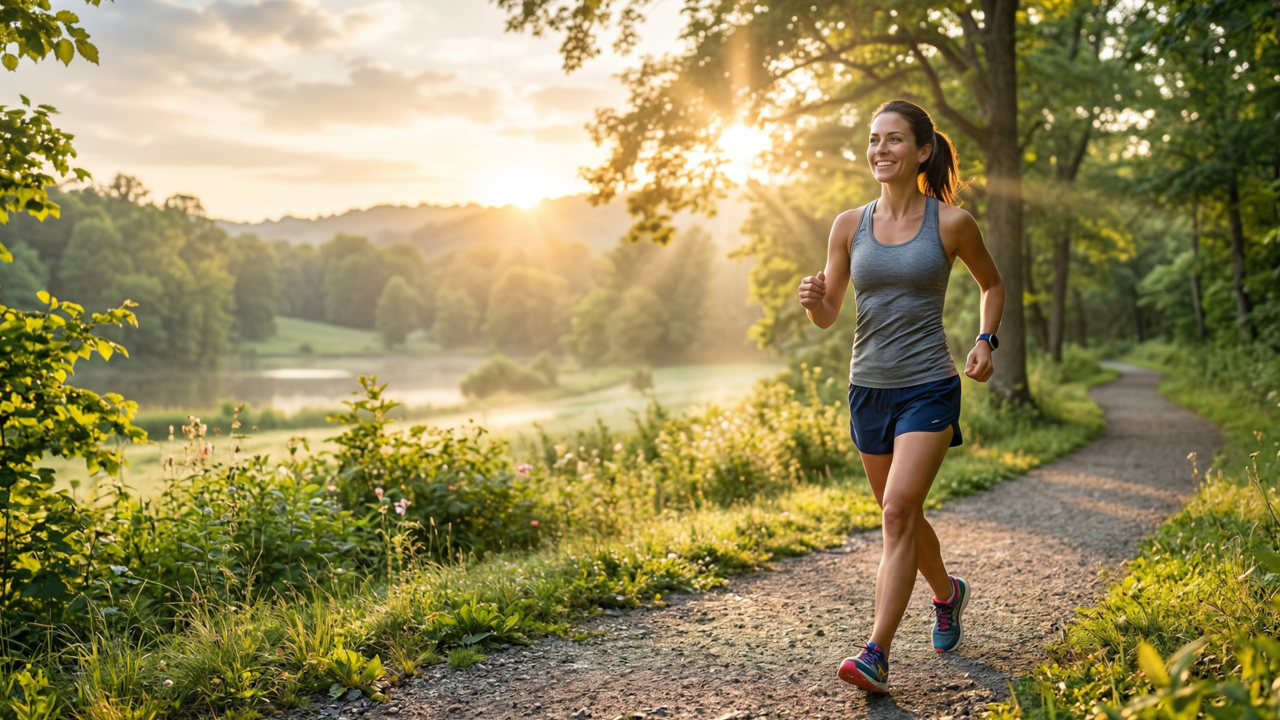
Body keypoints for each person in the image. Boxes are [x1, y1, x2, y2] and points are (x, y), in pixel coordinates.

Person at [796, 99, 1005, 694]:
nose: (880, 150)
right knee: (902, 515)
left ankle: (875, 653)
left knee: (895, 513)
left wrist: (986, 341)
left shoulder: (951, 223)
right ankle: (948, 593)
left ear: (921, 151)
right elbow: (830, 314)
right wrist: (815, 302)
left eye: (893, 140)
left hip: (929, 387)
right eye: (873, 140)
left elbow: (992, 283)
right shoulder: (847, 225)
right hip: (869, 390)